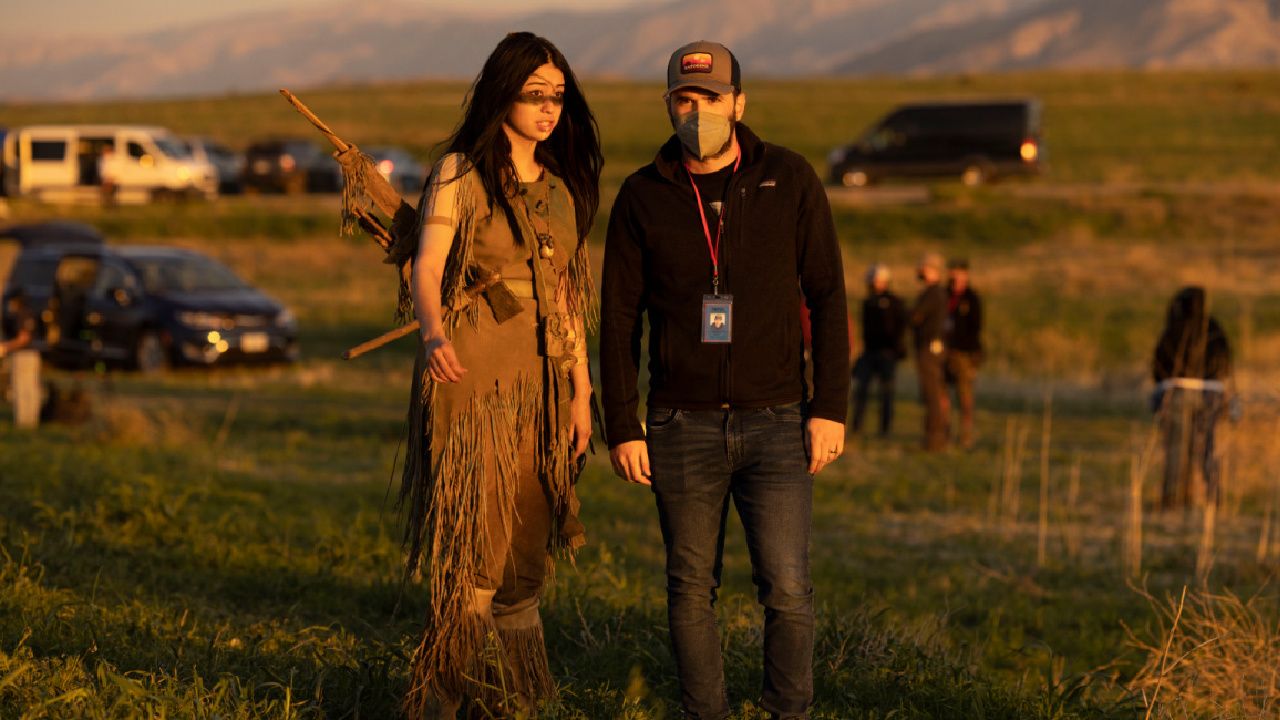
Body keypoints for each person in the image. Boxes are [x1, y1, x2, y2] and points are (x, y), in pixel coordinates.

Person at [600, 40, 849, 720]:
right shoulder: (642, 195)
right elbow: (618, 318)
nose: (698, 111)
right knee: (690, 587)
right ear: (667, 105)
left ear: (739, 102)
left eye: (711, 98)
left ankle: (787, 710)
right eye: (684, 98)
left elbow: (827, 295)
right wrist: (621, 425)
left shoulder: (789, 178)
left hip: (779, 419)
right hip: (680, 423)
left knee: (787, 587)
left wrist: (829, 407)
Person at [400, 32, 603, 718]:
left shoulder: (561, 191)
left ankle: (521, 699)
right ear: (501, 94)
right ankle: (438, 698)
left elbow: (566, 298)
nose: (549, 109)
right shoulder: (460, 172)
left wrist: (581, 393)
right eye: (534, 95)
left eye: (558, 97)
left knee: (525, 554)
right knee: (477, 548)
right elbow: (426, 264)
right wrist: (433, 331)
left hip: (546, 392)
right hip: (476, 378)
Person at [1151, 286, 1232, 510]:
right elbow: (1224, 364)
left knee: (1176, 449)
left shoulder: (1173, 330)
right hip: (1211, 394)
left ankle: (1173, 500)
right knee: (1207, 447)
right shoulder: (1214, 330)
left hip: (1177, 392)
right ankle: (1213, 497)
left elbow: (1158, 365)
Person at [851, 263, 907, 437]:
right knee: (861, 388)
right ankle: (857, 426)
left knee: (887, 391)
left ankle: (885, 429)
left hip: (887, 353)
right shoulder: (868, 302)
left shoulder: (895, 302)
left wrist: (895, 349)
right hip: (869, 352)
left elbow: (901, 327)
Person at [910, 252, 948, 452]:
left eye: (923, 268)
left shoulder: (932, 293)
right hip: (934, 348)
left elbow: (916, 316)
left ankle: (934, 439)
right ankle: (936, 436)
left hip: (928, 349)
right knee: (934, 392)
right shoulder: (938, 293)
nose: (920, 271)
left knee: (931, 393)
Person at [944, 257, 982, 449]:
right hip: (945, 352)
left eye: (960, 273)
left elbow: (975, 328)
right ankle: (945, 433)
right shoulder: (944, 295)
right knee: (943, 396)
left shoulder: (972, 298)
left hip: (964, 354)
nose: (956, 277)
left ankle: (966, 435)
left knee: (965, 396)